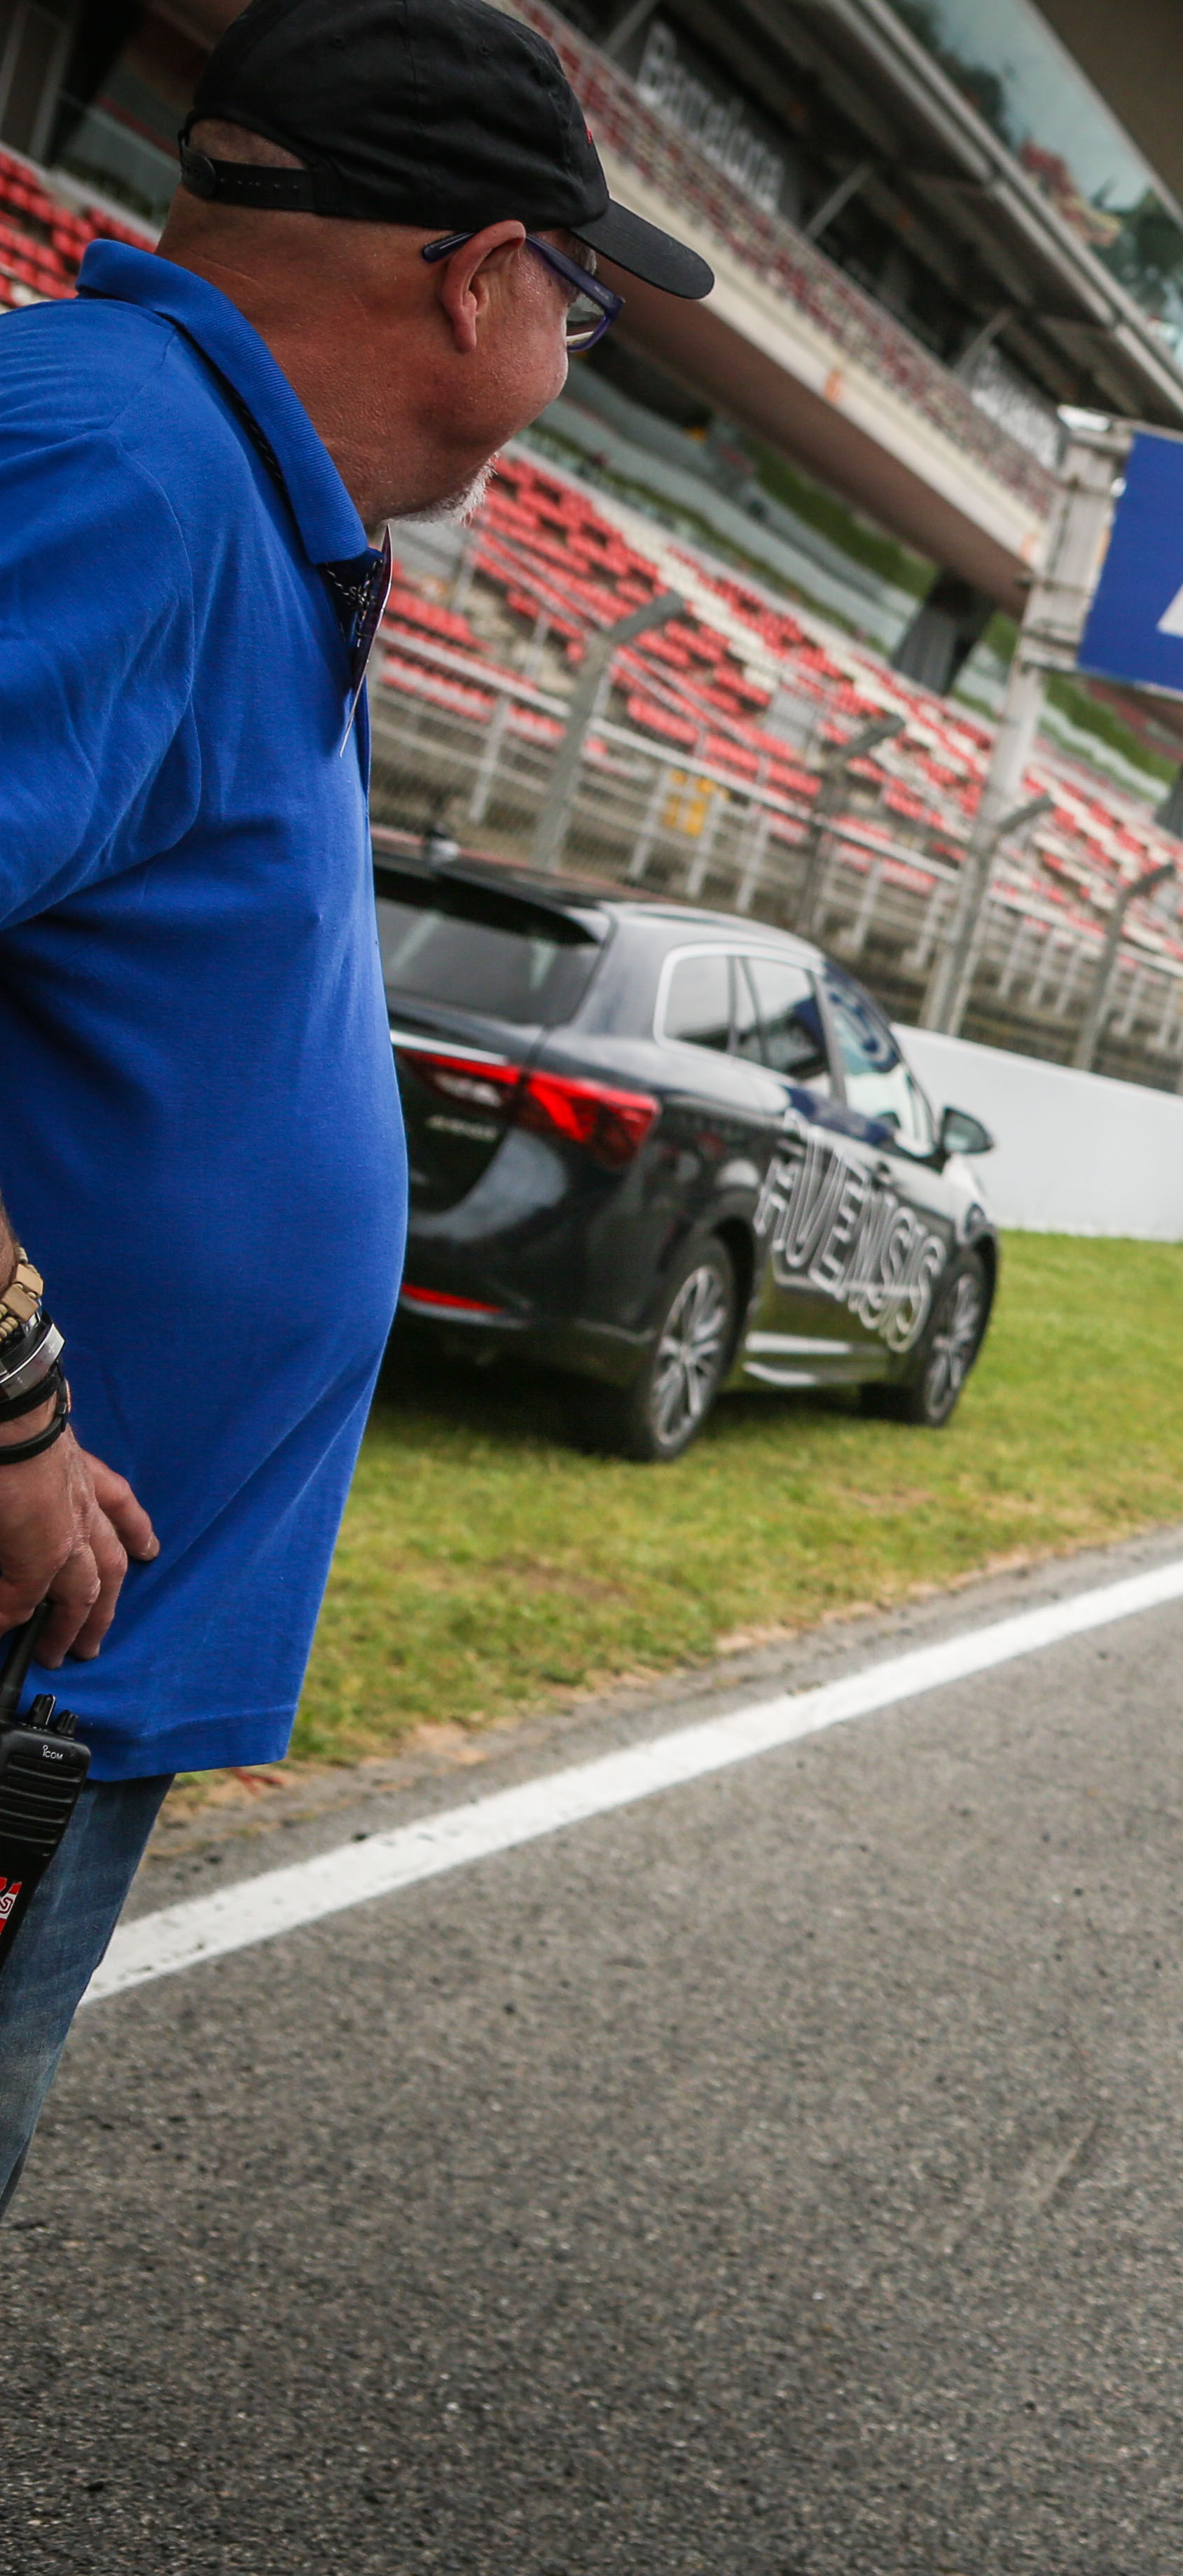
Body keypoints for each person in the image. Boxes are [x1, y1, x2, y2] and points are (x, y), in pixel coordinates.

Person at [0, 0, 709, 2208]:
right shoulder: (132, 468)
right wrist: (10, 1405)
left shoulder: (209, 475)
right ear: (481, 276)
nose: (576, 351)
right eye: (580, 298)